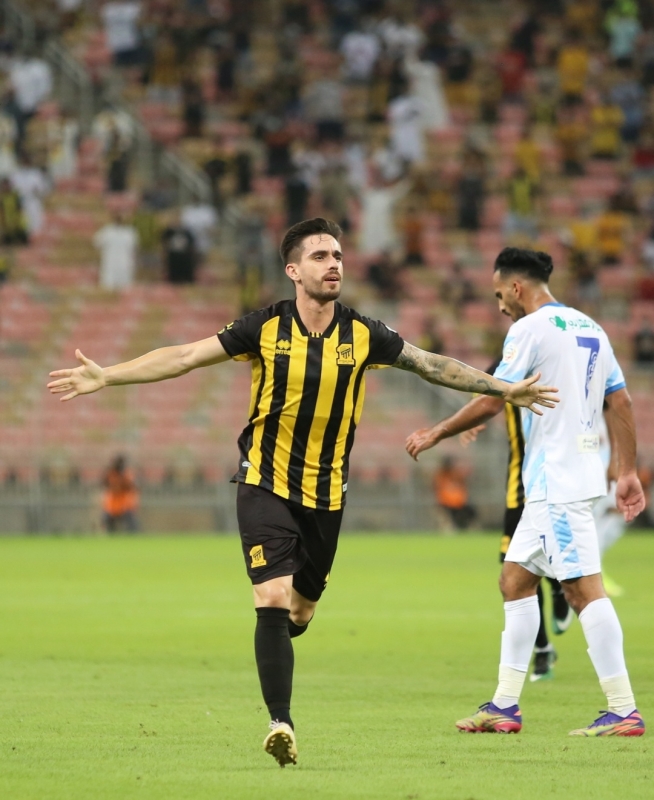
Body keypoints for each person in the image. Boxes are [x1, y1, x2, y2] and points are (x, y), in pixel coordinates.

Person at [48, 219, 557, 766]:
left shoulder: (363, 334)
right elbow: (185, 356)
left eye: (337, 255)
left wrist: (504, 388)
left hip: (326, 496)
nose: (333, 263)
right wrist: (109, 376)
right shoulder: (264, 327)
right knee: (270, 596)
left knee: (300, 610)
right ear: (293, 271)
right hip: (263, 482)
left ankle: (281, 641)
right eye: (319, 256)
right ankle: (280, 723)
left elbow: (432, 365)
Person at [406, 247, 645, 737]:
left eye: (499, 295)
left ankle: (623, 710)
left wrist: (437, 432)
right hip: (560, 480)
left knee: (583, 590)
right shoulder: (590, 327)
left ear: (516, 287)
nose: (499, 306)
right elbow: (619, 401)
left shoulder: (529, 329)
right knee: (514, 580)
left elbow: (495, 398)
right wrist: (627, 471)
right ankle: (504, 706)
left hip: (558, 481)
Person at [94, 212, 139, 291]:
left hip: (122, 263)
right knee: (110, 286)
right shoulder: (108, 231)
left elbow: (97, 243)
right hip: (113, 262)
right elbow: (97, 243)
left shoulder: (129, 232)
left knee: (123, 287)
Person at [102, 455, 139, 532]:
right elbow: (106, 485)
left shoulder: (126, 474)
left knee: (132, 523)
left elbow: (131, 487)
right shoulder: (111, 474)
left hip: (124, 505)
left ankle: (133, 535)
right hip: (112, 506)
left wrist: (122, 479)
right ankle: (111, 535)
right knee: (106, 519)